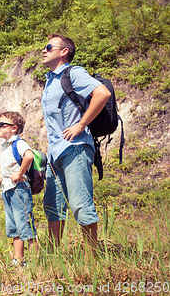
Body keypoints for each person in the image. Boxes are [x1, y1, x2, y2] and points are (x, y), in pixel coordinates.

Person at [41, 34, 111, 254]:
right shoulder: (50, 80)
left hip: (75, 147)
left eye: (49, 46)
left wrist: (81, 125)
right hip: (55, 153)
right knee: (53, 207)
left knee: (80, 204)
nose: (44, 50)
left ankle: (92, 257)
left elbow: (102, 93)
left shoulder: (74, 73)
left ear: (64, 52)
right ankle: (53, 257)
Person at [0, 111, 37, 266]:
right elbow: (1, 164)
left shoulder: (18, 143)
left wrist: (19, 174)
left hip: (19, 188)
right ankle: (18, 259)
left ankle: (34, 260)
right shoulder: (4, 147)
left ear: (14, 128)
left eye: (1, 125)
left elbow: (29, 156)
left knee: (25, 223)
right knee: (13, 225)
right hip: (7, 189)